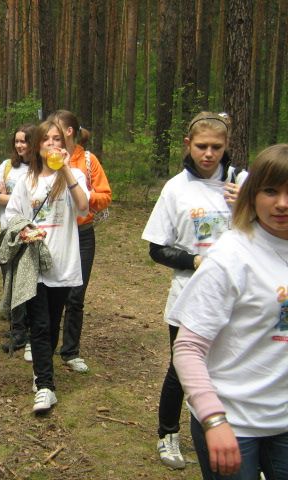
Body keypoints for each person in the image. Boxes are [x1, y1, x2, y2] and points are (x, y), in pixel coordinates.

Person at [171, 144, 288, 479]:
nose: (282, 203)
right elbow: (188, 348)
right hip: (234, 421)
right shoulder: (231, 256)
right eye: (270, 191)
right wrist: (213, 419)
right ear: (252, 195)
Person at [141, 112, 247, 469]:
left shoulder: (243, 184)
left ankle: (231, 430)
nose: (209, 154)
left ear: (226, 146)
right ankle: (167, 433)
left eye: (216, 147)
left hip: (239, 295)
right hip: (189, 295)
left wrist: (246, 204)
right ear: (188, 145)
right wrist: (196, 262)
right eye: (202, 146)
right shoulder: (176, 189)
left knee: (233, 363)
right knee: (182, 368)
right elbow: (157, 247)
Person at [4, 120, 89, 413]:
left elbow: (84, 207)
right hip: (35, 261)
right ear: (37, 147)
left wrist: (65, 170)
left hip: (63, 263)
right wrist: (25, 230)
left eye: (57, 140)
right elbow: (11, 217)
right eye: (46, 140)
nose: (52, 144)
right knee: (39, 324)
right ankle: (44, 386)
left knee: (53, 324)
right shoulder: (28, 181)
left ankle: (42, 370)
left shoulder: (74, 174)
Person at [48, 110, 112, 373]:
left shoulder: (88, 160)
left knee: (76, 295)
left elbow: (105, 195)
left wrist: (83, 200)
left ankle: (70, 351)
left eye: (57, 130)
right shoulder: (47, 157)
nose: (52, 136)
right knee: (49, 292)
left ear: (69, 132)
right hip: (54, 233)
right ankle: (42, 345)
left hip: (82, 235)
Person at [0, 124, 36, 356]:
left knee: (29, 283)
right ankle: (17, 329)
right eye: (17, 141)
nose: (20, 145)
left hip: (32, 235)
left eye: (24, 141)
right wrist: (16, 200)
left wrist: (14, 199)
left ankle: (29, 329)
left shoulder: (41, 169)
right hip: (7, 232)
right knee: (10, 281)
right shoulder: (7, 167)